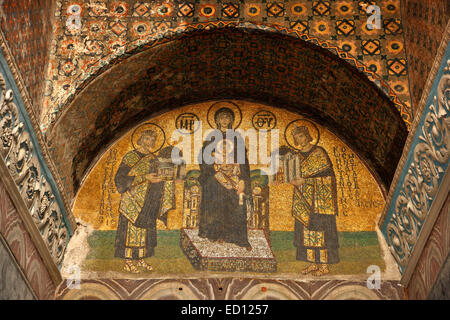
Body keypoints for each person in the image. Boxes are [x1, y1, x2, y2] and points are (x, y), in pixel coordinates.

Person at [114, 130, 172, 273]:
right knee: (131, 230)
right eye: (146, 138)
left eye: (152, 140)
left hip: (147, 201)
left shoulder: (154, 158)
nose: (149, 142)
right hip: (132, 201)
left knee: (144, 231)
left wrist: (164, 180)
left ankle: (140, 258)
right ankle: (128, 261)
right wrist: (145, 177)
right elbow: (120, 180)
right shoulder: (131, 157)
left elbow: (159, 178)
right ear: (140, 139)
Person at [197, 106, 252, 250]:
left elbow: (243, 161)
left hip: (234, 175)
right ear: (216, 120)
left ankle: (235, 236)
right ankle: (215, 234)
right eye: (222, 117)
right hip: (216, 176)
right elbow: (203, 158)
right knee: (215, 199)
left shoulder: (236, 138)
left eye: (227, 117)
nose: (224, 120)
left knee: (236, 200)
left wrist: (242, 179)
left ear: (232, 120)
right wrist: (214, 169)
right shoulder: (212, 138)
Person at [289, 125, 339, 276]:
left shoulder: (319, 153)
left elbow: (329, 177)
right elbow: (293, 174)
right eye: (297, 138)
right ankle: (312, 263)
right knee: (307, 231)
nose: (300, 140)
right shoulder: (295, 156)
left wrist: (306, 182)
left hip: (319, 200)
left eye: (302, 136)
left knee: (320, 232)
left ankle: (323, 266)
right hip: (303, 198)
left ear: (307, 136)